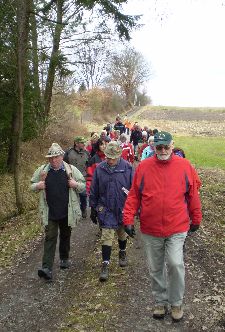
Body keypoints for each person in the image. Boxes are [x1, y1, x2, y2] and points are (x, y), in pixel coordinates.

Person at [123, 131, 202, 322]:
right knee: (155, 267)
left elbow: (192, 195)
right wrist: (128, 218)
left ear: (172, 146)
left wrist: (196, 217)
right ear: (153, 148)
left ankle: (176, 303)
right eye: (159, 147)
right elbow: (134, 195)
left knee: (175, 264)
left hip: (177, 226)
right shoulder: (144, 167)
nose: (163, 150)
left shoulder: (184, 166)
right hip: (151, 229)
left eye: (166, 146)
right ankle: (160, 301)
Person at [30, 143, 85, 281]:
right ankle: (46, 267)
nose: (54, 160)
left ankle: (64, 258)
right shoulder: (42, 170)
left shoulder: (71, 170)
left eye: (56, 157)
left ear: (61, 157)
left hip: (67, 211)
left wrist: (75, 184)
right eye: (51, 158)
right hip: (50, 212)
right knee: (50, 238)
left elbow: (83, 186)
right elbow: (31, 185)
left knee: (66, 235)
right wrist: (38, 185)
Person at [89, 141, 134, 282]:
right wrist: (93, 208)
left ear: (119, 155)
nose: (110, 160)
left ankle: (122, 252)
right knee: (106, 236)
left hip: (122, 207)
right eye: (108, 157)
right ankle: (105, 264)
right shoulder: (100, 168)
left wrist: (133, 212)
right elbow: (94, 189)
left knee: (122, 234)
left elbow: (134, 192)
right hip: (106, 208)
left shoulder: (128, 168)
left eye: (113, 157)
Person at [63, 136, 90, 218]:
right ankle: (71, 212)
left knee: (83, 195)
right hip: (71, 177)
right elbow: (64, 164)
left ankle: (83, 209)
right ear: (76, 143)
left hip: (83, 177)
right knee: (71, 196)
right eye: (82, 143)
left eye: (84, 143)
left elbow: (89, 165)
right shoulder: (68, 152)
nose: (83, 144)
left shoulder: (86, 153)